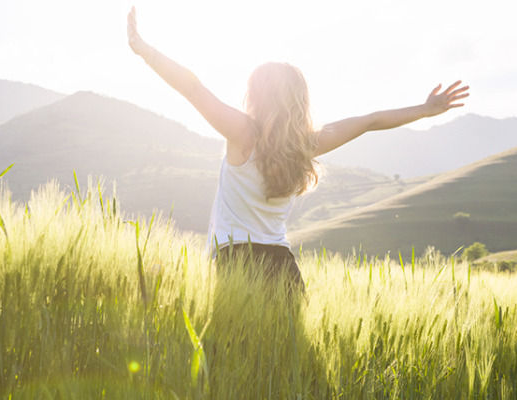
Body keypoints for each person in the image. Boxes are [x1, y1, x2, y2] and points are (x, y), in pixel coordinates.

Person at [126, 7, 469, 292]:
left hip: (236, 262)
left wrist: (144, 50)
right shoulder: (307, 145)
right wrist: (424, 110)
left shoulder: (242, 131)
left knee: (236, 362)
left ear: (255, 95)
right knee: (286, 366)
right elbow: (369, 120)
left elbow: (193, 88)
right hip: (283, 268)